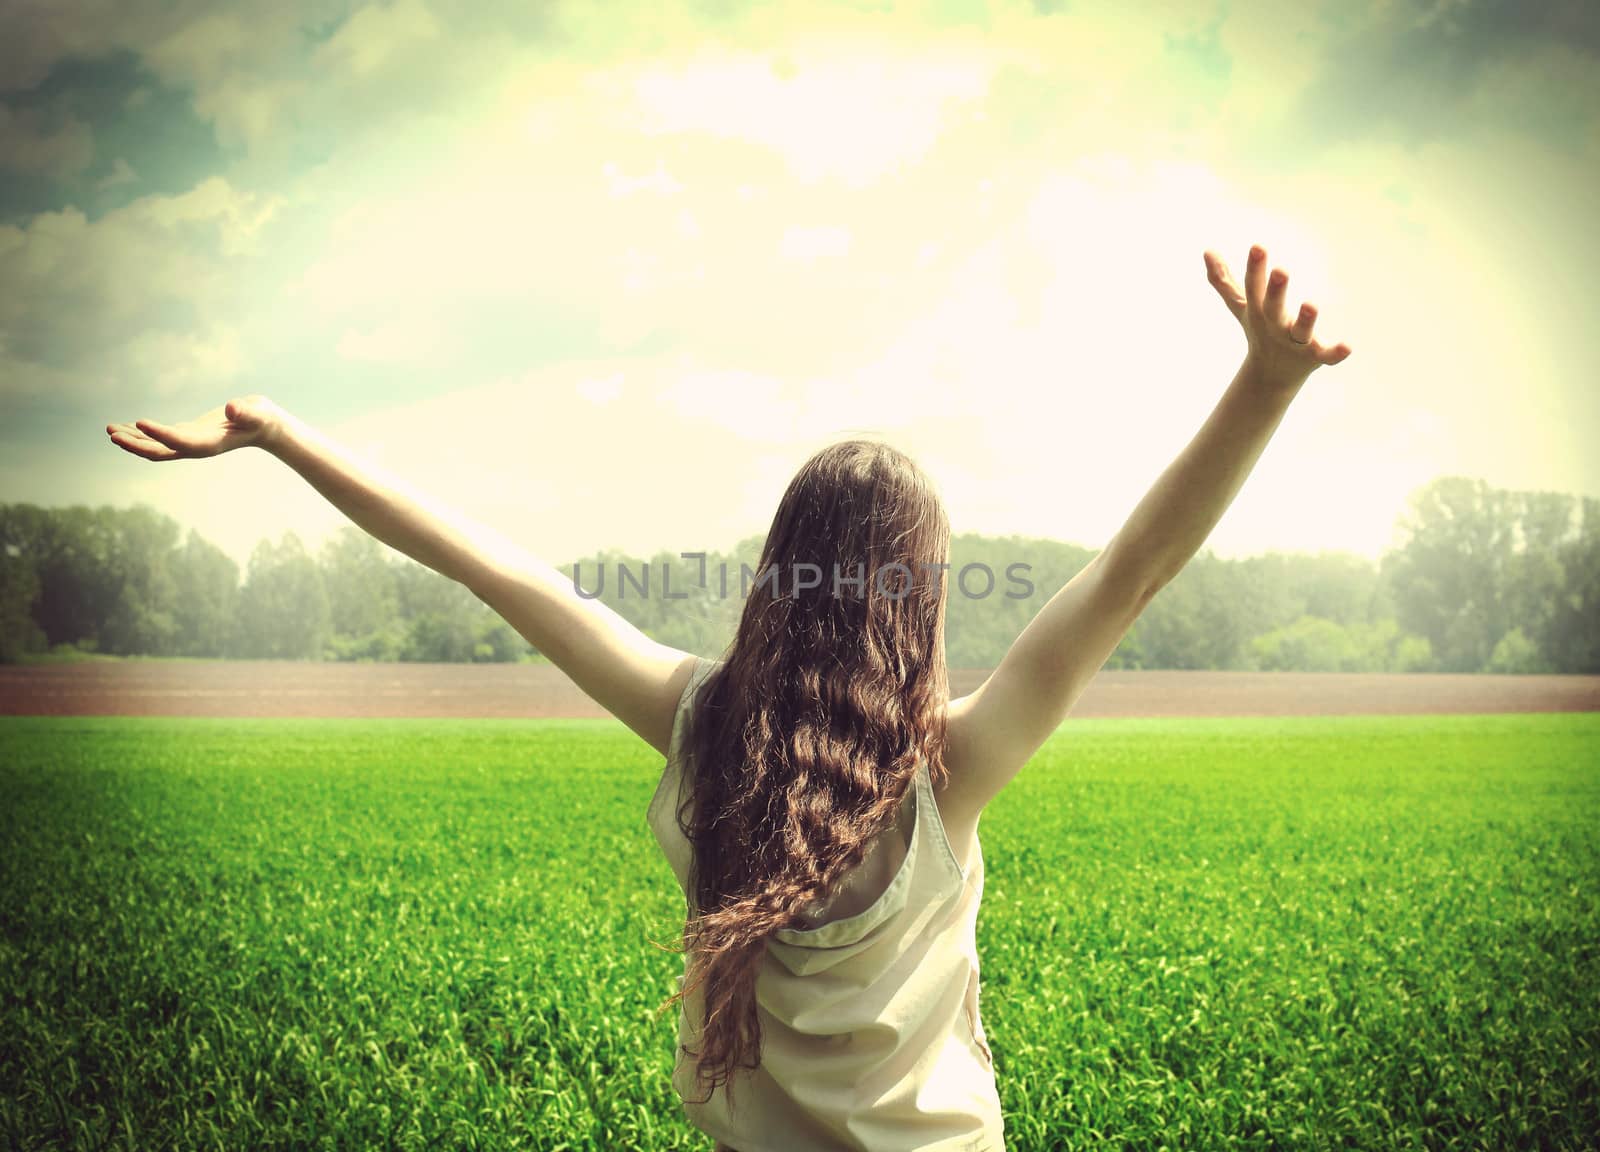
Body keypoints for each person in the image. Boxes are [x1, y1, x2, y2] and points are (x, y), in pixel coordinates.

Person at [107, 244, 1350, 1150]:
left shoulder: (697, 722)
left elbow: (491, 566)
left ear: (779, 576)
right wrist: (1266, 385)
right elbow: (1130, 577)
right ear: (916, 598)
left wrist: (283, 434)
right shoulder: (952, 772)